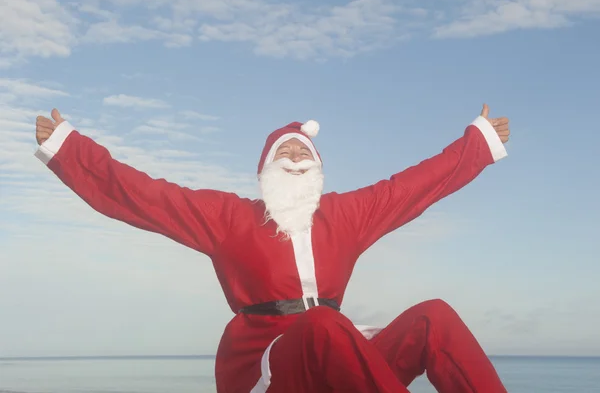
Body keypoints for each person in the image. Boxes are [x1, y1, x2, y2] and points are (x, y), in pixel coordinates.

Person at [34, 104, 510, 393]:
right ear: (265, 169)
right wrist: (70, 149)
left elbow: (412, 186)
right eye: (286, 152)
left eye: (305, 152)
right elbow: (142, 194)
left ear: (320, 169)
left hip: (339, 354)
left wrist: (478, 143)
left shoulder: (345, 215)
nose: (297, 158)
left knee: (434, 317)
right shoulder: (229, 217)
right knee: (322, 325)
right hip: (268, 368)